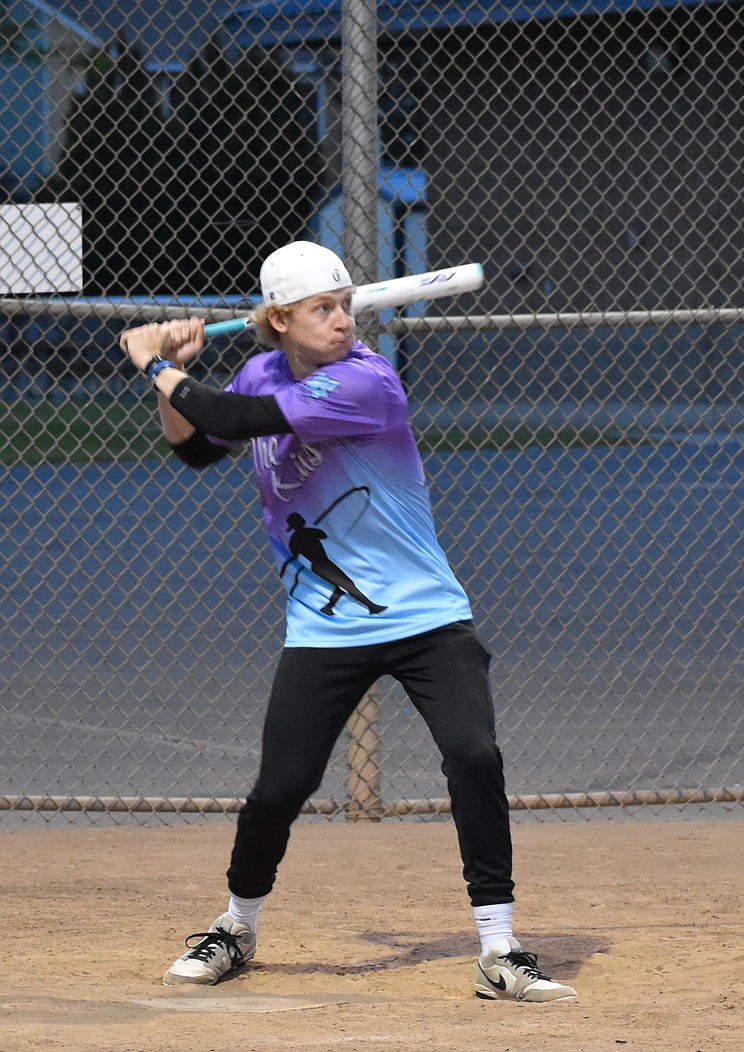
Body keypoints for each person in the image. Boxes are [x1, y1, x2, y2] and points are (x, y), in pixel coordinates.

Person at [118, 241, 577, 1004]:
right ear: (279, 320)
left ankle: (500, 947)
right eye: (322, 309)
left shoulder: (367, 380)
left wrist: (154, 365)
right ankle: (236, 927)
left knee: (473, 755)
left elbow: (236, 415)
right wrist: (173, 378)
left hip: (426, 615)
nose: (343, 320)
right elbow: (198, 447)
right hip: (324, 626)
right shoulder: (259, 370)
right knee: (280, 787)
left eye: (345, 304)